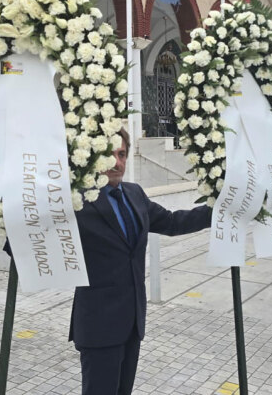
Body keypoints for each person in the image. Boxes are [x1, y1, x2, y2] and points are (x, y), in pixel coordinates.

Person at [70, 128, 211, 395]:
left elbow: (171, 221)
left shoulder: (135, 193)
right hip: (98, 327)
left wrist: (218, 209)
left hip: (132, 323)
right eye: (109, 154)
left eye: (122, 154)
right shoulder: (78, 200)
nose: (117, 162)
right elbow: (44, 234)